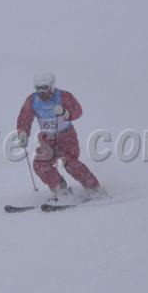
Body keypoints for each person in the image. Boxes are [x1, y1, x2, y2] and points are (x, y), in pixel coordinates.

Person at [16, 71, 104, 199]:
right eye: (38, 89)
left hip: (66, 136)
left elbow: (78, 111)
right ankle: (60, 188)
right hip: (48, 139)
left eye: (45, 88)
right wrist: (23, 133)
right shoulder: (33, 100)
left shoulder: (63, 96)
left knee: (69, 162)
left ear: (52, 86)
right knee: (40, 164)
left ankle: (94, 187)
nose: (41, 92)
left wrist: (65, 112)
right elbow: (25, 117)